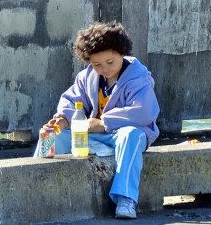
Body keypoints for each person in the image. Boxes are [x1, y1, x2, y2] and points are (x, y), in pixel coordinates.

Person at [35, 22, 160, 219]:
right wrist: (62, 120)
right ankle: (36, 187)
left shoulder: (138, 77)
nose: (105, 69)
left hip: (121, 136)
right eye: (97, 65)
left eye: (110, 62)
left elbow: (144, 112)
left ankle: (126, 198)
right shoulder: (86, 77)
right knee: (52, 135)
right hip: (94, 136)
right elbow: (72, 101)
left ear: (122, 53)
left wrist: (103, 123)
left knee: (131, 135)